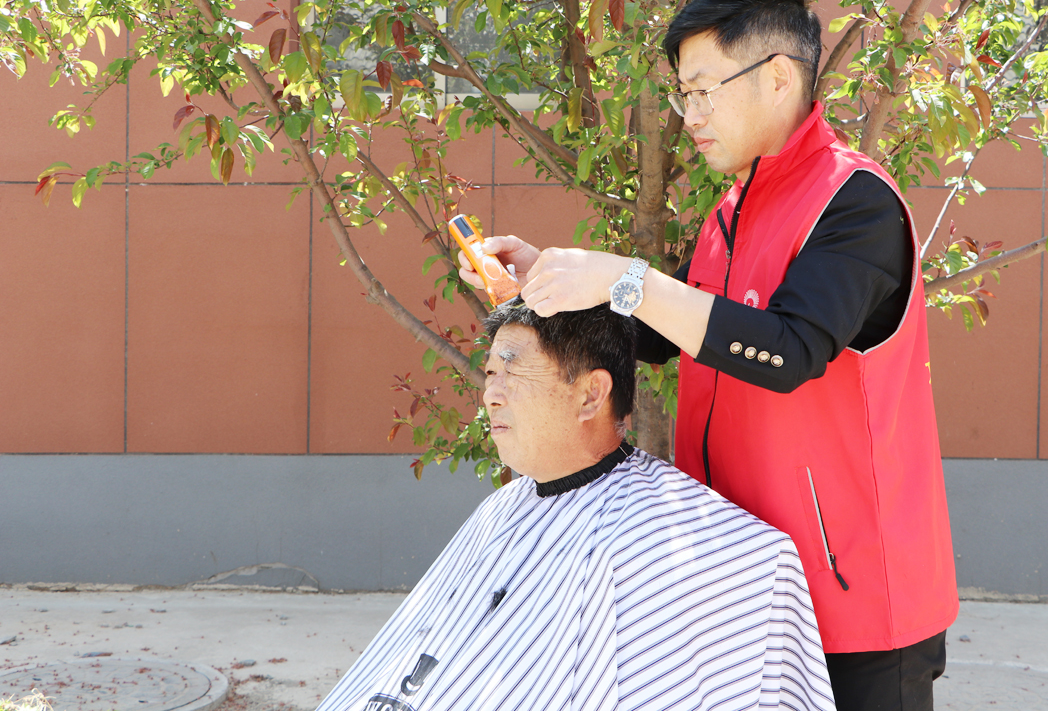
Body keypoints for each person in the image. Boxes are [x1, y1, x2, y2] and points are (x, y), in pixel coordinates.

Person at [458, 0, 958, 711]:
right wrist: (546, 287)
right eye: (681, 94)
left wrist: (627, 278)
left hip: (851, 604)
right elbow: (671, 335)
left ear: (778, 77)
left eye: (702, 90)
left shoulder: (855, 202)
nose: (689, 114)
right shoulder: (731, 211)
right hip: (740, 583)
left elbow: (786, 351)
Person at [316, 300, 835, 711]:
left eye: (513, 373)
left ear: (591, 395)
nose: (490, 395)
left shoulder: (662, 546)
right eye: (491, 374)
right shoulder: (502, 510)